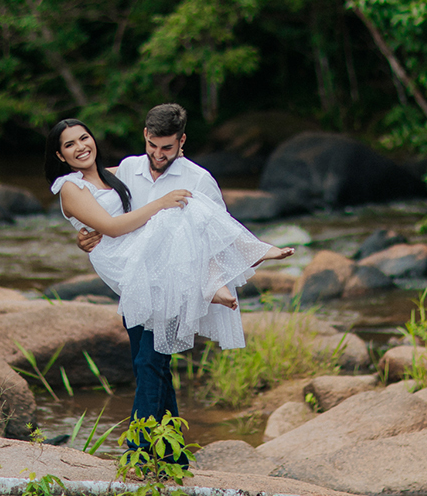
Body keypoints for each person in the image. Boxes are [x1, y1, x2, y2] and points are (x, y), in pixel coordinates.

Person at [46, 104, 293, 432]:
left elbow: (214, 229)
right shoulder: (122, 170)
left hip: (156, 268)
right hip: (131, 264)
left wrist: (93, 227)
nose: (80, 147)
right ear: (145, 136)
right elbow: (107, 222)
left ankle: (160, 452)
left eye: (83, 139)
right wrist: (87, 234)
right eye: (69, 145)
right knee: (151, 362)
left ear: (182, 141)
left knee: (152, 362)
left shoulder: (164, 176)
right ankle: (210, 283)